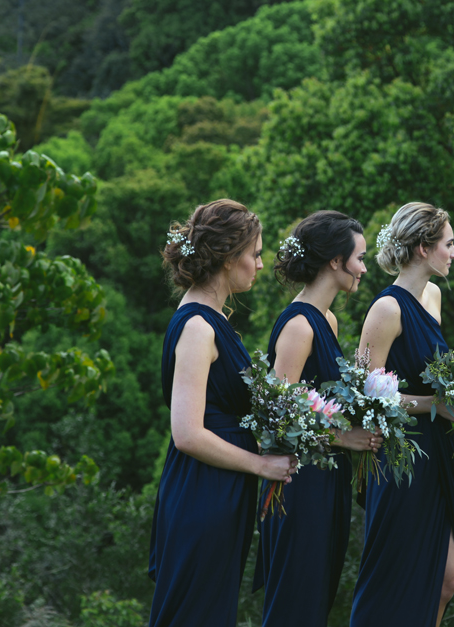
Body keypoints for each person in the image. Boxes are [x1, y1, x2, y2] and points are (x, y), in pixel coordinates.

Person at [148, 199, 297, 627]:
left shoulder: (215, 318)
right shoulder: (197, 327)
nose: (261, 265)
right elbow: (187, 434)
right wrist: (260, 464)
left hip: (223, 489)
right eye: (255, 254)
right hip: (202, 491)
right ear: (230, 259)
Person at [350, 202, 454, 627]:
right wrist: (434, 406)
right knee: (392, 577)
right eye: (449, 244)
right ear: (423, 248)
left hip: (437, 453)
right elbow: (365, 393)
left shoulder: (433, 295)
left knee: (445, 580)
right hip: (400, 457)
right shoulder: (386, 309)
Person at [253, 210, 383, 626]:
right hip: (300, 483)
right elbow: (275, 420)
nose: (363, 268)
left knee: (319, 596)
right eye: (359, 258)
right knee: (297, 599)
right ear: (334, 262)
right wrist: (345, 438)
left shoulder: (328, 320)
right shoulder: (298, 325)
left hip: (330, 479)